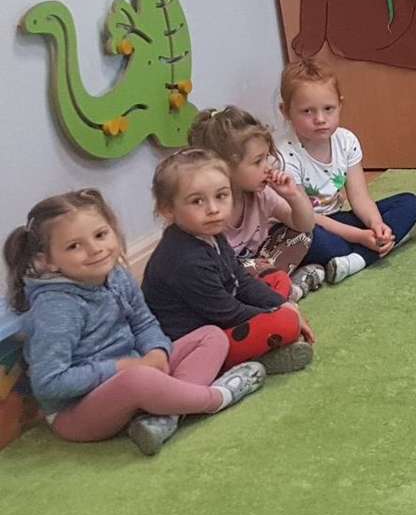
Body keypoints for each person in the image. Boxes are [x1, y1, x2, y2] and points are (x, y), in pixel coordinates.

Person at [7, 190, 266, 456]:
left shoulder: (116, 275)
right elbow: (49, 383)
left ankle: (168, 415)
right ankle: (217, 398)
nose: (95, 249)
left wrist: (157, 351)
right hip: (76, 413)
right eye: (74, 246)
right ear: (48, 261)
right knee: (137, 380)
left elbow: (144, 323)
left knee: (211, 335)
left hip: (136, 372)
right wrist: (120, 367)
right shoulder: (56, 308)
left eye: (100, 235)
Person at [141, 149, 314, 375]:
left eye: (221, 196)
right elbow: (227, 313)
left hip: (221, 308)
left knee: (277, 279)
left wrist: (282, 304)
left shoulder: (209, 233)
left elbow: (240, 279)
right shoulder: (185, 260)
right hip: (199, 338)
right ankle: (244, 360)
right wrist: (278, 313)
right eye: (197, 201)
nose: (213, 209)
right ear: (168, 210)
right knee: (284, 323)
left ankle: (273, 331)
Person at [278, 58, 416, 284]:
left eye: (328, 109)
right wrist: (360, 236)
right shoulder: (284, 156)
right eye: (307, 111)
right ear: (285, 111)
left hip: (339, 218)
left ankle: (358, 258)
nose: (320, 119)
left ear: (340, 104)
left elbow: (360, 197)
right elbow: (309, 218)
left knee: (409, 203)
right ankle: (374, 249)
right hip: (307, 227)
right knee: (318, 244)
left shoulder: (346, 140)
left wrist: (376, 225)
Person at [189, 105, 317, 294]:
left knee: (301, 236)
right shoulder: (209, 210)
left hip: (259, 264)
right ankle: (277, 289)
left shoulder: (261, 194)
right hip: (229, 274)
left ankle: (273, 287)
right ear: (225, 168)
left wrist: (294, 196)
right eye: (258, 161)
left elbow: (305, 225)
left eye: (267, 157)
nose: (268, 167)